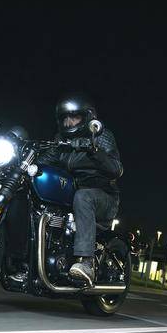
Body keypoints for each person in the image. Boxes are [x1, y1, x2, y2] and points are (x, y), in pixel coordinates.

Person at [39, 94, 123, 284]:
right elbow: (44, 161)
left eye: (74, 116)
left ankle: (86, 262)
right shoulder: (60, 141)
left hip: (103, 197)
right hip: (73, 195)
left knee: (83, 196)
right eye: (64, 117)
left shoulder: (100, 136)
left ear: (87, 117)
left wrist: (94, 151)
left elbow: (116, 169)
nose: (69, 122)